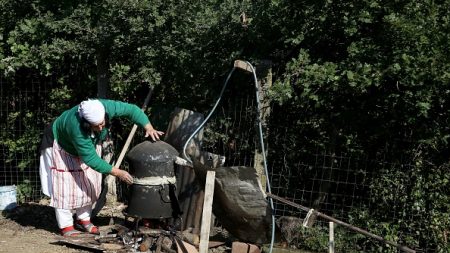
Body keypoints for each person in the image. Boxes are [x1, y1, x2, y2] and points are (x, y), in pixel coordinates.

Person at [39, 99, 164, 237]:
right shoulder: (76, 128)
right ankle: (66, 226)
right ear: (87, 123)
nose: (100, 128)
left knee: (89, 184)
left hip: (86, 146)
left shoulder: (106, 107)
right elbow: (90, 159)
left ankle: (84, 220)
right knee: (64, 188)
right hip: (62, 145)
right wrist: (118, 172)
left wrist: (148, 126)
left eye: (102, 124)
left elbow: (133, 110)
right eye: (96, 126)